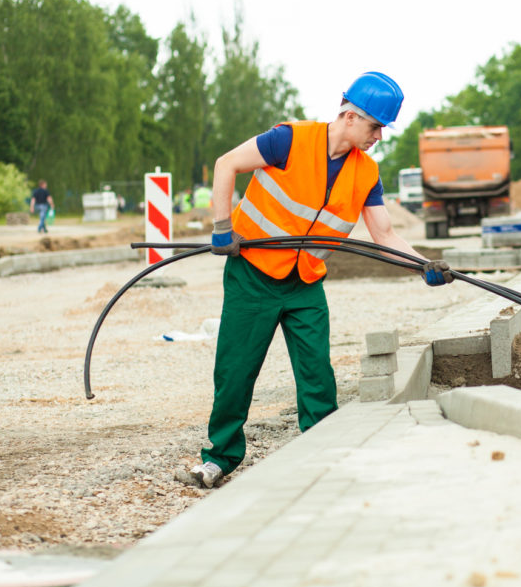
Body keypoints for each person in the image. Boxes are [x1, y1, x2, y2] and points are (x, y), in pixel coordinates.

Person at [190, 72, 453, 489]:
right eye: (375, 126)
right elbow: (227, 165)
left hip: (304, 284)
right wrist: (222, 228)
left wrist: (423, 266)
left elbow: (383, 234)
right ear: (350, 116)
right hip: (252, 275)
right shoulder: (288, 140)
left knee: (317, 375)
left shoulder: (366, 173)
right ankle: (219, 457)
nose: (378, 136)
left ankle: (326, 455)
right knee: (236, 371)